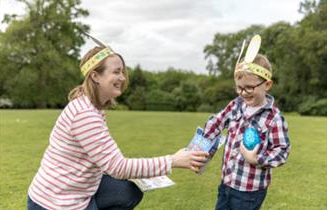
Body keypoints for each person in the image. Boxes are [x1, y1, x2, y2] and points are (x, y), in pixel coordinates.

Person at [27, 43, 208, 210]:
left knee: (128, 191)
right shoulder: (85, 115)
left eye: (122, 72)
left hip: (76, 190)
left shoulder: (93, 108)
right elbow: (117, 167)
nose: (122, 77)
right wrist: (173, 161)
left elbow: (106, 161)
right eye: (116, 72)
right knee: (124, 185)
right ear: (95, 76)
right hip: (55, 202)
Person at [202, 36, 290, 210]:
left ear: (267, 84)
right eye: (239, 87)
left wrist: (256, 158)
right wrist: (201, 148)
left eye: (249, 87)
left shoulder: (274, 117)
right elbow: (217, 123)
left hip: (250, 191)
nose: (243, 93)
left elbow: (282, 151)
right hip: (226, 182)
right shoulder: (236, 104)